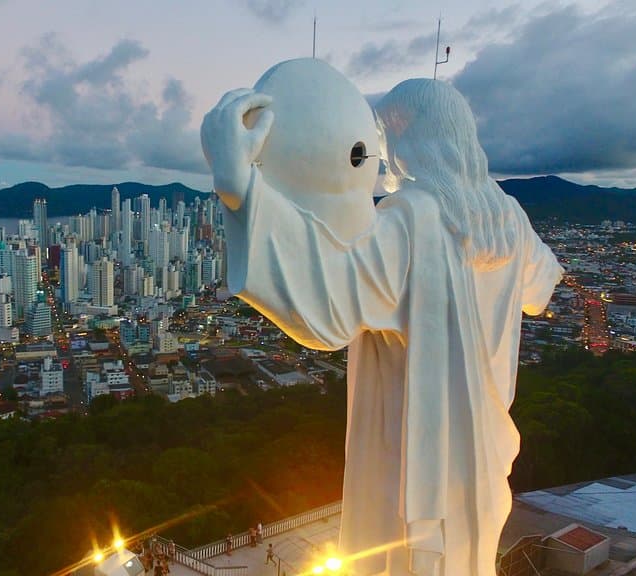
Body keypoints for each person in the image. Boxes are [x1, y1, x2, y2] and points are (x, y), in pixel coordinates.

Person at [202, 60, 562, 576]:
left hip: (415, 460)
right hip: (484, 459)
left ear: (408, 140)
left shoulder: (414, 220)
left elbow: (332, 301)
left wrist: (241, 185)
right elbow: (542, 287)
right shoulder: (509, 218)